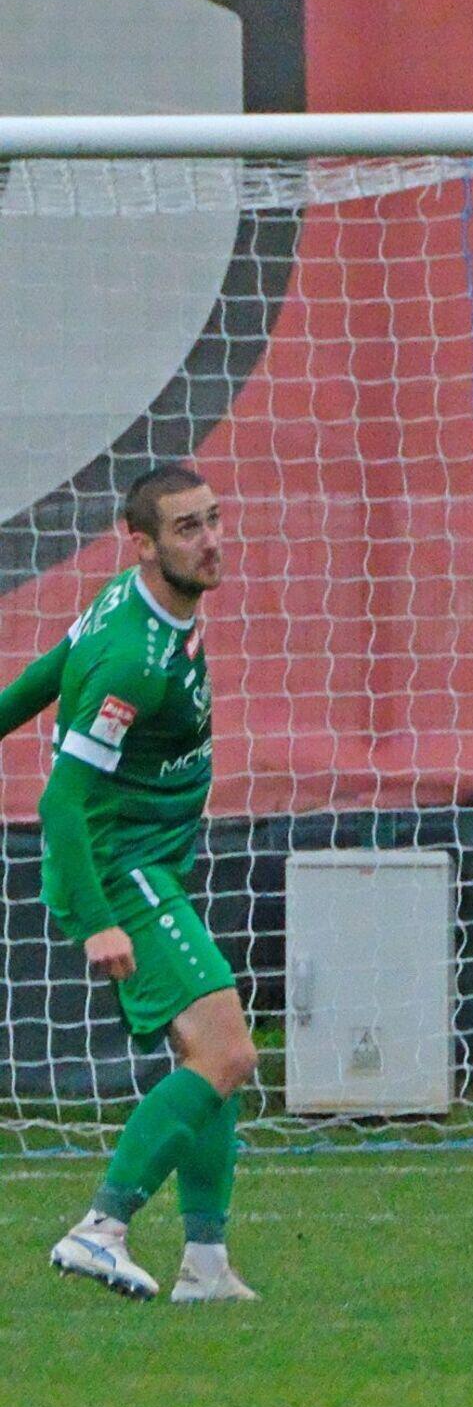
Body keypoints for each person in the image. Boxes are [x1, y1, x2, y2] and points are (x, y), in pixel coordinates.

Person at [0, 464, 257, 1301]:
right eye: (187, 528)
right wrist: (100, 919)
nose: (210, 541)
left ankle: (205, 1265)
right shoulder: (133, 663)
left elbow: (46, 672)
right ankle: (100, 1228)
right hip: (120, 868)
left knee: (207, 1056)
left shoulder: (133, 600)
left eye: (213, 519)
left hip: (148, 859)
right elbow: (60, 801)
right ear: (142, 544)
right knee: (228, 1051)